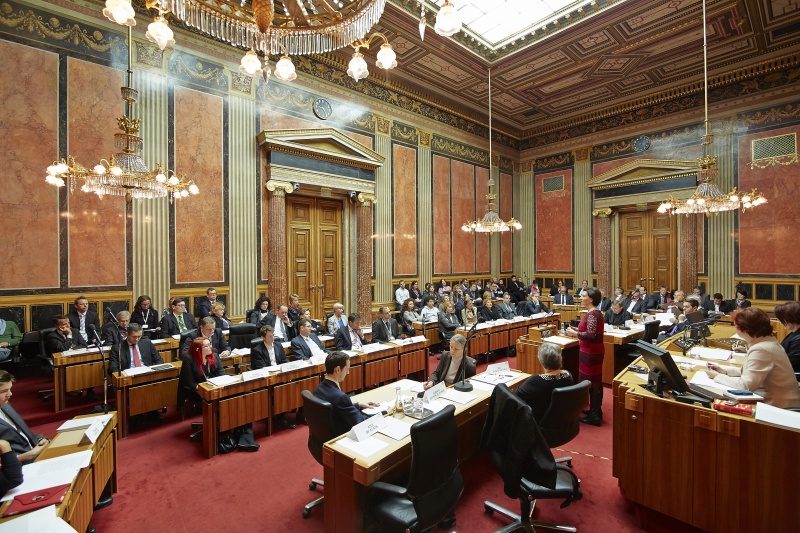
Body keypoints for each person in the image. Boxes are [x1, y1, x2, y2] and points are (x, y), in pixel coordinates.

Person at [706, 307, 800, 408]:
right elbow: (750, 372)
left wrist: (717, 376)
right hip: (776, 401)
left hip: (779, 407)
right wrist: (724, 371)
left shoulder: (762, 349)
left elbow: (745, 385)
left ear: (745, 329)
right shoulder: (766, 342)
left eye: (736, 326)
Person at [180, 338, 258, 451]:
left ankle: (246, 437)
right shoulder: (189, 359)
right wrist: (204, 388)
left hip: (218, 388)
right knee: (225, 402)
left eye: (210, 344)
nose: (210, 347)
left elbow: (221, 373)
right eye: (206, 346)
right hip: (198, 393)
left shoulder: (214, 356)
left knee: (243, 396)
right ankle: (225, 433)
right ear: (198, 349)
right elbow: (189, 382)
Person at [313, 352, 380, 436]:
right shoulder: (340, 397)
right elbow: (360, 422)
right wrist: (383, 413)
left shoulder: (318, 389)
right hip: (339, 438)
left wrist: (358, 405)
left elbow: (336, 409)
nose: (348, 373)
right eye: (347, 369)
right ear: (337, 370)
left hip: (321, 439)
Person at [565, 288, 604, 426]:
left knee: (591, 382)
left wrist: (574, 334)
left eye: (584, 296)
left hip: (591, 353)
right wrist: (576, 329)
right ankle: (595, 410)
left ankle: (594, 415)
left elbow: (591, 335)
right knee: (595, 382)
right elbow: (588, 331)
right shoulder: (594, 313)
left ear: (591, 299)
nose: (581, 298)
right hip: (593, 351)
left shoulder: (593, 314)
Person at [516, 343, 574, 422]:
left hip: (539, 422)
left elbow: (516, 396)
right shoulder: (568, 376)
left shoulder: (536, 381)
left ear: (540, 360)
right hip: (562, 421)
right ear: (560, 359)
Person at [0, 370, 49, 464]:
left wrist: (40, 439)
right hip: (19, 468)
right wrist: (30, 455)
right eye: (4, 391)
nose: (10, 394)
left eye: (10, 389)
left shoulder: (5, 405)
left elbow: (22, 434)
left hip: (38, 453)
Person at [250, 326, 294, 429]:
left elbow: (284, 360)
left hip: (280, 374)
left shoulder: (278, 345)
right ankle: (278, 416)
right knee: (280, 389)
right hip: (266, 378)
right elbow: (260, 367)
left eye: (273, 335)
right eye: (270, 336)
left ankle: (283, 411)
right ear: (263, 338)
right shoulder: (257, 350)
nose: (273, 338)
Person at [774, 301, 800, 373]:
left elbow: (790, 364)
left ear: (791, 318)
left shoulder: (798, 339)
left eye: (781, 319)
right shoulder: (794, 333)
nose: (779, 322)